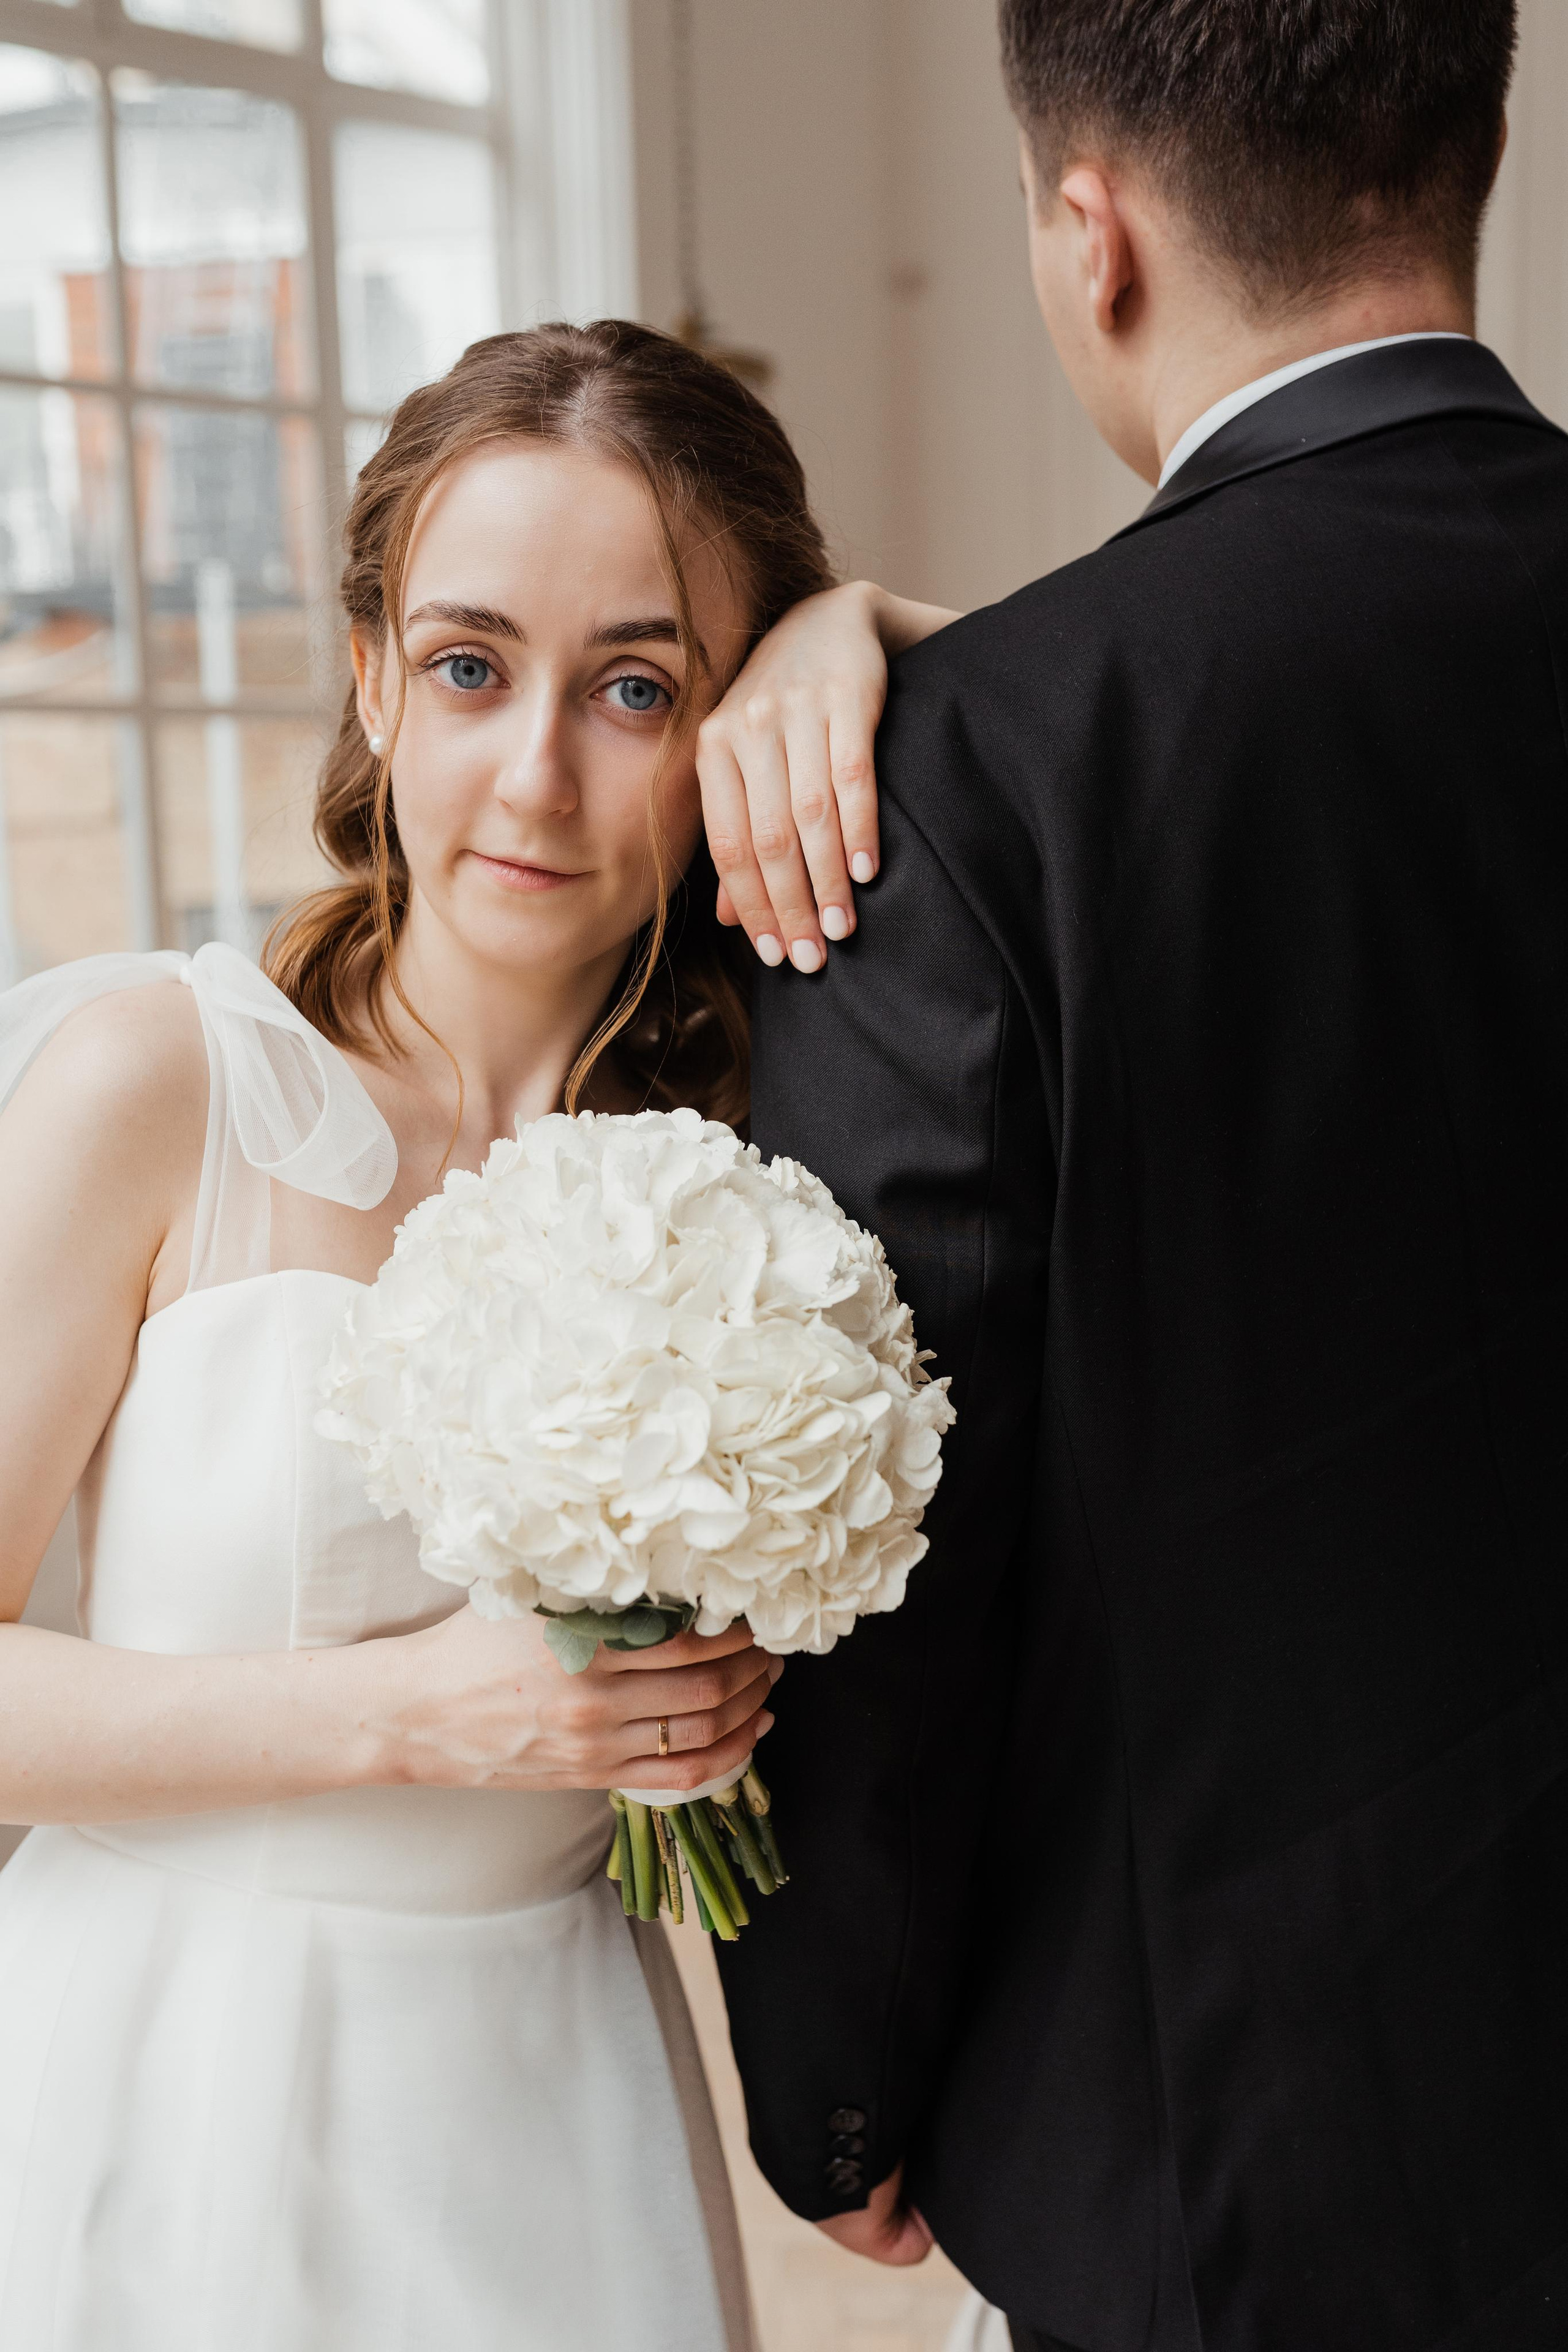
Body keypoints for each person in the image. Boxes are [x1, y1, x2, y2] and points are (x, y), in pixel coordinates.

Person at [710, 4, 1568, 2348]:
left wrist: (840, 2090)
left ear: (1090, 235)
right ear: (1468, 151)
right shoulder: (977, 743)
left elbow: (895, 1533)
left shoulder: (971, 779)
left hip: (1240, 2176)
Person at [0, 318, 943, 2351]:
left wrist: (860, 634)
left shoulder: (766, 1169)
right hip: (161, 2092)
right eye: (467, 667)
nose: (535, 776)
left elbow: (1135, 752)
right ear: (372, 681)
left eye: (636, 687)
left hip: (556, 2108)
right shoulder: (159, 1090)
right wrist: (418, 1717)